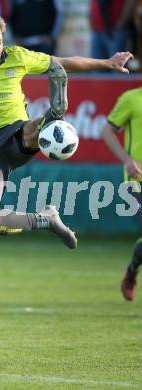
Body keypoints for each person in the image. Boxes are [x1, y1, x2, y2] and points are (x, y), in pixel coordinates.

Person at [0, 14, 132, 248]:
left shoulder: (17, 56)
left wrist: (106, 63)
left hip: (15, 131)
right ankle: (45, 219)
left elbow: (61, 62)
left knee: (31, 128)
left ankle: (53, 116)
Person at [101, 86, 142, 301]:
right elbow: (106, 131)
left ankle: (132, 270)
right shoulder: (131, 99)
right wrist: (126, 160)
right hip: (136, 182)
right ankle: (132, 273)